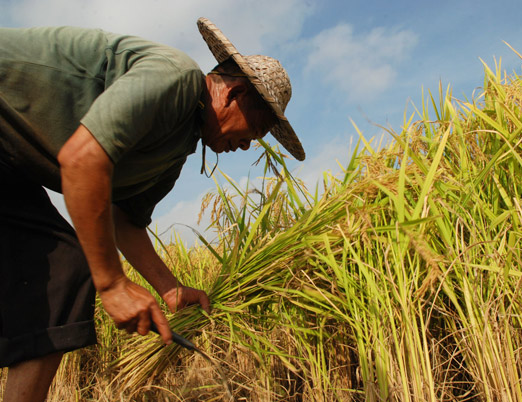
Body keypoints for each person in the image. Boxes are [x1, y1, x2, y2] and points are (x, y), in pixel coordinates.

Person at [0, 17, 305, 401]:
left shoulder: (178, 147)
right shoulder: (175, 78)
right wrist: (111, 283)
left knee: (62, 271)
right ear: (234, 94)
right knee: (73, 266)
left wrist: (170, 289)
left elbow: (124, 218)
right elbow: (82, 160)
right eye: (253, 133)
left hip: (10, 163)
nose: (246, 147)